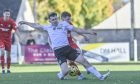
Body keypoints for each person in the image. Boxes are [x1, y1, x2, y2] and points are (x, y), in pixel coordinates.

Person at [18, 12, 110, 80]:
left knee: (84, 61)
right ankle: (61, 75)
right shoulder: (47, 27)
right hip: (58, 52)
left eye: (56, 18)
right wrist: (25, 22)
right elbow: (36, 25)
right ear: (49, 20)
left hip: (68, 48)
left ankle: (100, 77)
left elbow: (77, 29)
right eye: (52, 19)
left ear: (58, 18)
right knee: (65, 71)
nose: (55, 20)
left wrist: (89, 32)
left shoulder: (64, 24)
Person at [60, 11, 95, 80]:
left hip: (72, 43)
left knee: (80, 54)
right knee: (71, 62)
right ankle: (80, 75)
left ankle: (87, 68)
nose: (69, 20)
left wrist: (84, 36)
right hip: (65, 45)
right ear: (62, 18)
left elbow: (77, 30)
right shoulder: (59, 26)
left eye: (70, 19)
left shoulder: (69, 24)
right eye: (68, 19)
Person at [0, 9, 19, 74]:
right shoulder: (0, 20)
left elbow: (15, 29)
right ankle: (2, 69)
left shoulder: (11, 21)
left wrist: (13, 31)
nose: (7, 15)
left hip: (8, 40)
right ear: (3, 14)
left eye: (8, 14)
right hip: (1, 39)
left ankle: (8, 69)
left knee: (8, 55)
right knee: (2, 51)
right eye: (6, 14)